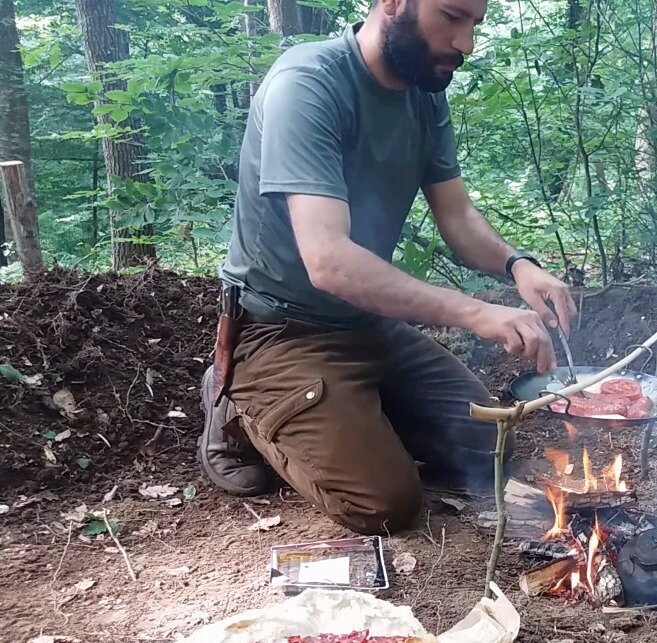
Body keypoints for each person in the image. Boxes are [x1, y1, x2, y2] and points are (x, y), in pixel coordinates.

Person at [198, 0, 577, 536]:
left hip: (367, 321)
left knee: (490, 442)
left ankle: (350, 414)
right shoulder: (307, 86)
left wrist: (519, 266)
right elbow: (329, 262)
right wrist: (474, 312)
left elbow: (458, 215)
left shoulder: (423, 92)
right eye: (451, 16)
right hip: (281, 330)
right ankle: (233, 399)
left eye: (475, 24)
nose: (465, 43)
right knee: (383, 503)